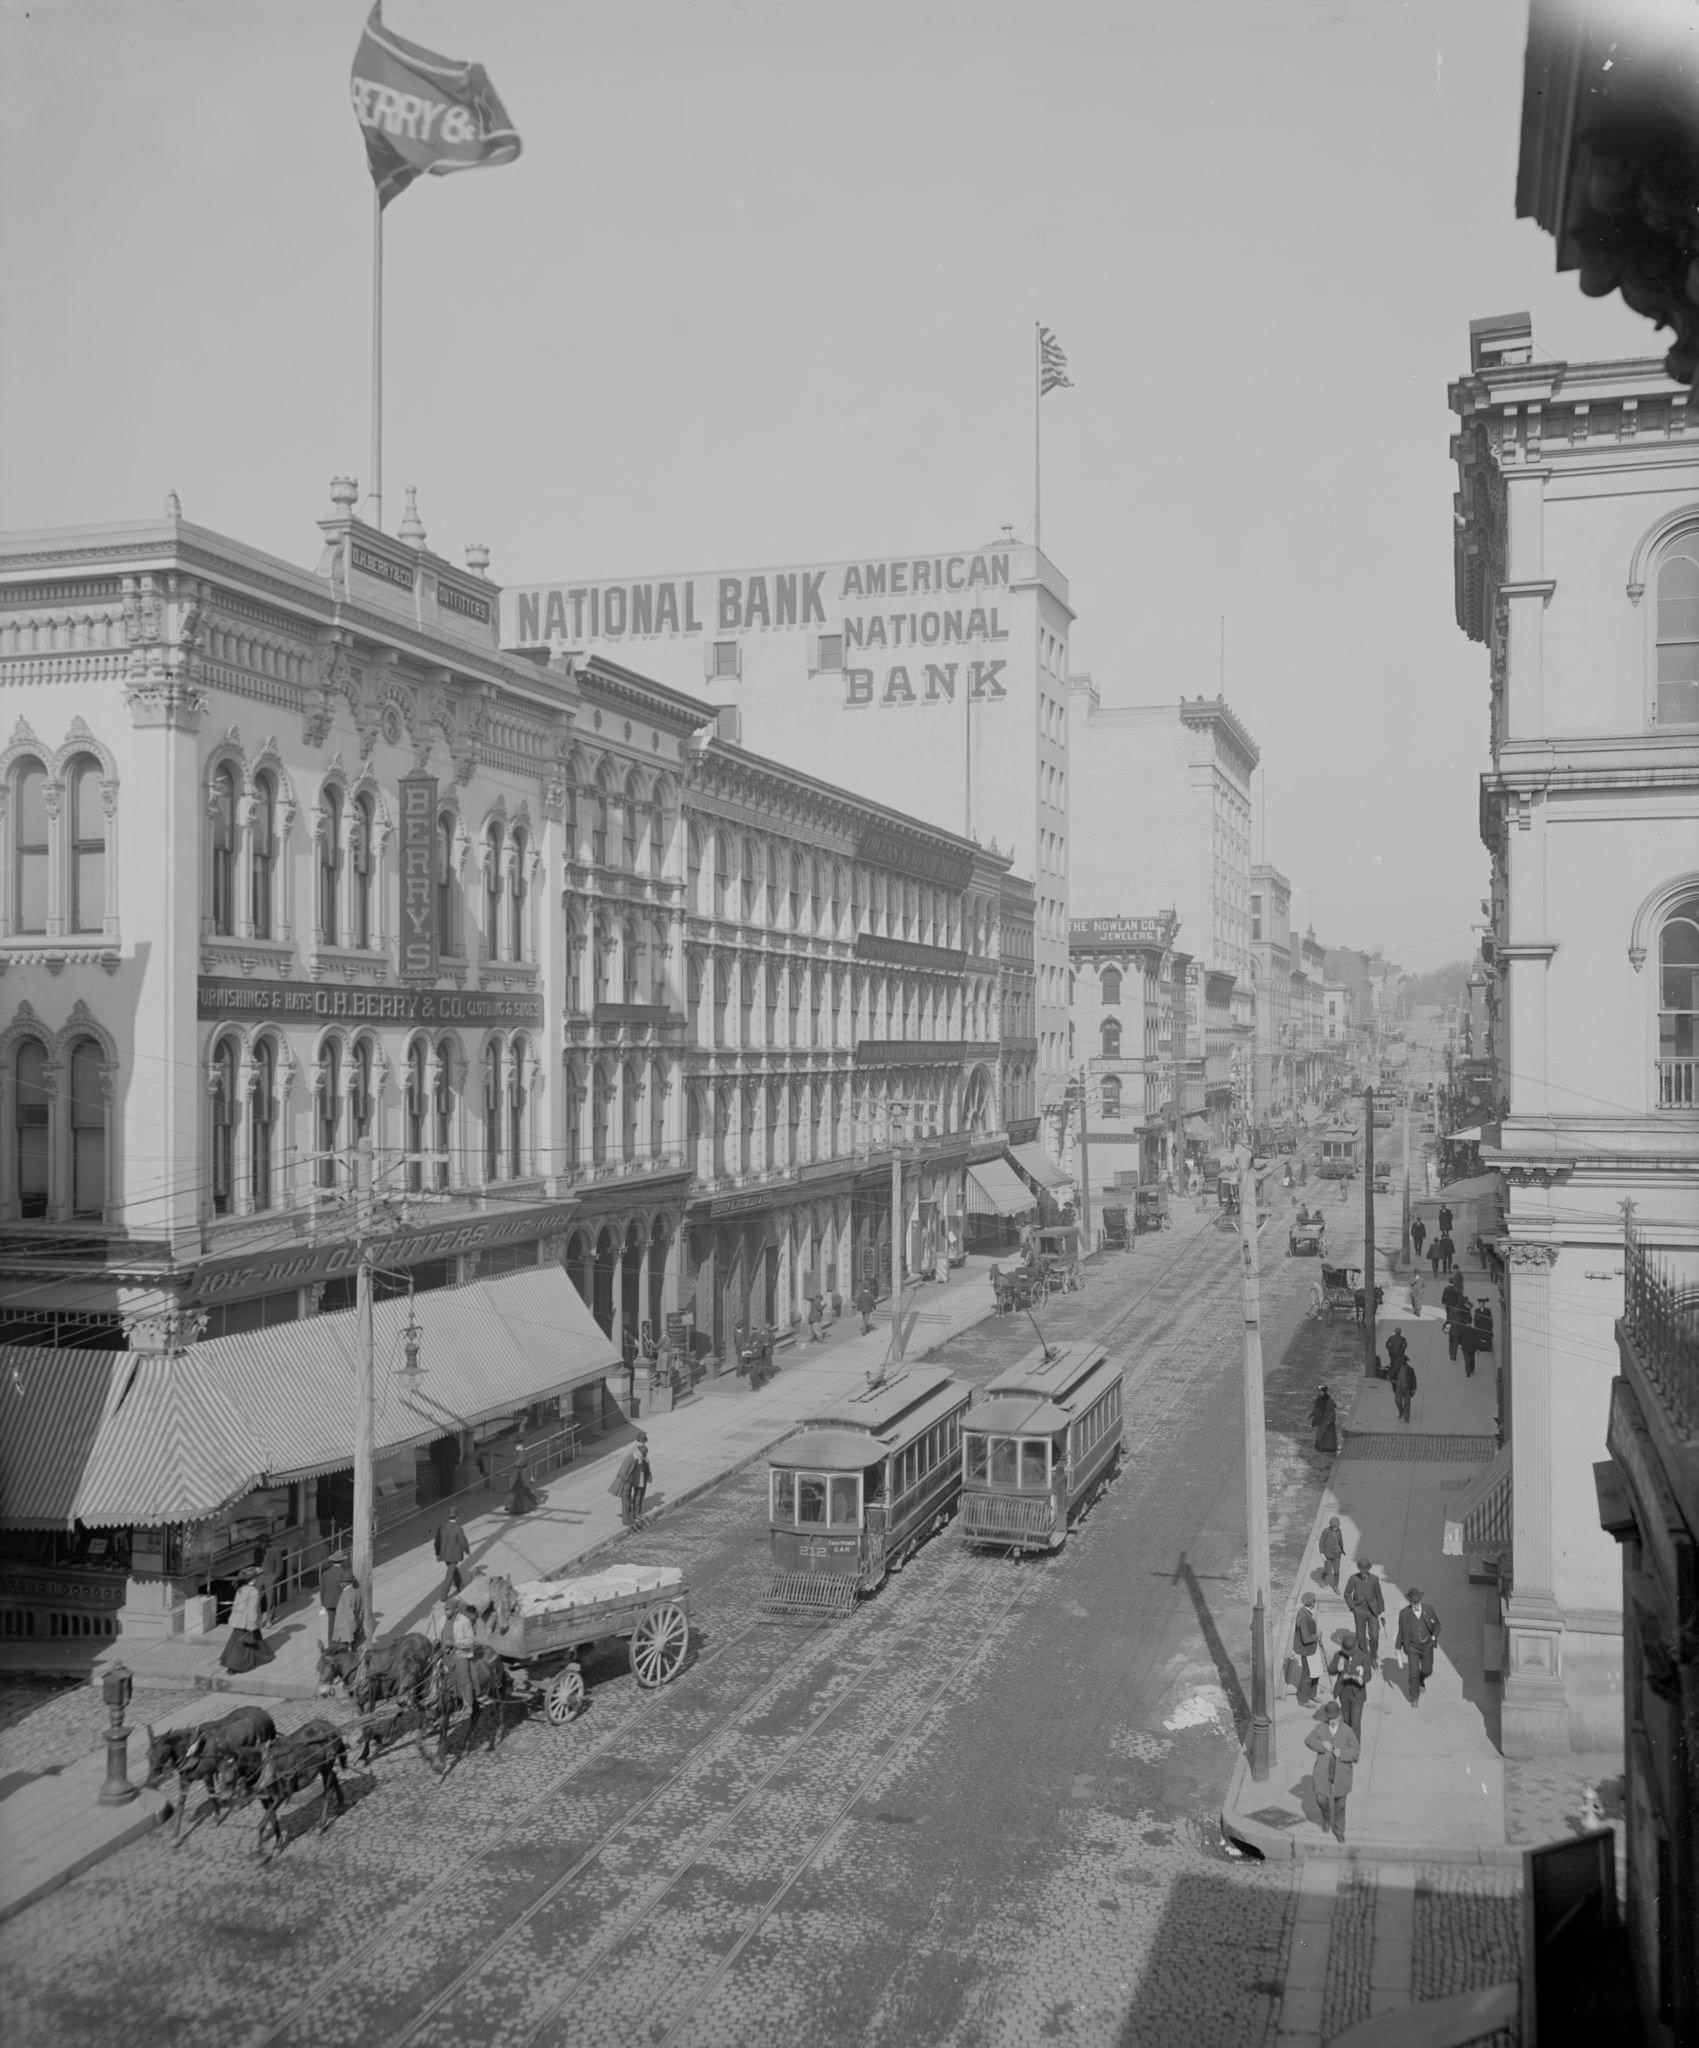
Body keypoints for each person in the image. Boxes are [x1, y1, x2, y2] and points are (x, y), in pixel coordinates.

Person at [1306, 1699, 1360, 1843]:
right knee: (1321, 1799)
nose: (1332, 1721)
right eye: (1330, 1718)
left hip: (1341, 1774)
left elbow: (1356, 1751)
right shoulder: (1320, 1728)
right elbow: (1308, 1740)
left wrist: (1341, 1753)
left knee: (1340, 1805)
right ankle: (1326, 1817)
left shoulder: (1347, 1731)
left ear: (1340, 1716)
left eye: (1335, 1718)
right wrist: (1321, 1744)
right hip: (1324, 1772)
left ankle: (1339, 1830)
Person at [219, 1567, 275, 1674]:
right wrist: (252, 1624)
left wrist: (232, 1619)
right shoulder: (253, 1591)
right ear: (254, 1579)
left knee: (251, 1640)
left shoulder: (241, 1589)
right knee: (241, 1646)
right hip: (247, 1622)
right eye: (258, 1577)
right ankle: (234, 1666)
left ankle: (264, 1655)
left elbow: (235, 1605)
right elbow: (252, 1610)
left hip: (238, 1620)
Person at [1395, 1588, 1442, 1705]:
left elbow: (1437, 1625)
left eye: (1417, 1601)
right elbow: (1401, 1632)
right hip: (1412, 1648)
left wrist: (1433, 1638)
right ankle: (1414, 1697)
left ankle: (1422, 1679)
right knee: (1413, 1673)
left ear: (1420, 1600)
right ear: (1409, 1601)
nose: (1415, 1604)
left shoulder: (1429, 1609)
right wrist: (1397, 1648)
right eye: (1413, 1602)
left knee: (1427, 1670)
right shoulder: (1404, 1614)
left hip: (1427, 1646)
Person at [1328, 1630, 1372, 1737]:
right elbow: (1331, 1670)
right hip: (1343, 1692)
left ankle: (1355, 1747)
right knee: (1347, 1721)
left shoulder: (1363, 1657)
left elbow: (1368, 1674)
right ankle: (1347, 1743)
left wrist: (1362, 1679)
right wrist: (1338, 1667)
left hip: (1357, 1693)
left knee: (1355, 1723)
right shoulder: (1338, 1656)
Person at [1344, 1559, 1385, 1662]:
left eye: (1365, 1570)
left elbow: (1379, 1595)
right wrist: (1353, 1608)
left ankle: (1373, 1655)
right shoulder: (1353, 1579)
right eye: (1361, 1570)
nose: (1363, 1572)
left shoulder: (1374, 1579)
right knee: (1360, 1636)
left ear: (1368, 1569)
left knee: (1374, 1635)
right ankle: (1364, 1655)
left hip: (1373, 1611)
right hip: (1359, 1611)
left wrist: (1382, 1611)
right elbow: (1347, 1594)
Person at [1291, 1590, 1322, 1704]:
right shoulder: (1304, 1617)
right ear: (1312, 1603)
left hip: (1312, 1649)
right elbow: (1306, 1638)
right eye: (1314, 1601)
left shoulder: (1305, 1612)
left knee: (1316, 1672)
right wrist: (1317, 1635)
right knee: (1307, 1675)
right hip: (1307, 1650)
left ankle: (1312, 1694)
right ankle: (1303, 1699)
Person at [434, 1509, 471, 1600]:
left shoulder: (442, 1526)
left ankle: (460, 1586)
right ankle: (443, 1595)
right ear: (457, 1517)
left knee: (453, 1570)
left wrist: (438, 1554)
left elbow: (437, 1541)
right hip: (454, 1555)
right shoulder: (458, 1528)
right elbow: (463, 1542)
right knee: (449, 1575)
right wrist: (467, 1550)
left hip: (444, 1555)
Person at [319, 1548, 352, 1647]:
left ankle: (331, 1644)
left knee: (331, 1624)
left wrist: (323, 1604)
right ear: (342, 1561)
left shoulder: (325, 1574)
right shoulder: (344, 1573)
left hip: (329, 1603)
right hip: (341, 1603)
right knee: (342, 1624)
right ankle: (341, 1644)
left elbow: (322, 1590)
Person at [331, 1568, 366, 1654]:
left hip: (345, 1632)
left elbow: (349, 1615)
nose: (340, 1583)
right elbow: (361, 1611)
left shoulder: (346, 1595)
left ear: (346, 1583)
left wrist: (352, 1630)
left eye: (341, 1582)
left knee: (343, 1654)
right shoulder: (357, 1592)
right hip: (354, 1628)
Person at [1310, 1384, 1339, 1456]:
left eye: (1320, 1391)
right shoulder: (1319, 1398)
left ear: (1324, 1392)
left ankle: (1327, 1447)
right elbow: (1317, 1408)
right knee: (1321, 1433)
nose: (1319, 1392)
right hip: (1322, 1419)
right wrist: (1312, 1414)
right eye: (1318, 1391)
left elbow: (1332, 1411)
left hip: (1327, 1420)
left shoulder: (1329, 1400)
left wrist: (1330, 1420)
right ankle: (1321, 1447)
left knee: (1325, 1434)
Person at [1318, 1516, 1345, 1593]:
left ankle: (1336, 1587)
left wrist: (1341, 1549)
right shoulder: (1326, 1531)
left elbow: (1340, 1541)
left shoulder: (1339, 1531)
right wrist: (1322, 1553)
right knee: (1327, 1570)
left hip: (1337, 1555)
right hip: (1328, 1555)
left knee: (1337, 1572)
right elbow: (1321, 1543)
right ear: (1331, 1525)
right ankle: (1322, 1578)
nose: (1335, 1528)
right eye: (1334, 1527)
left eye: (1336, 1527)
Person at [1393, 1351, 1418, 1425]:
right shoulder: (1396, 1368)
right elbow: (1391, 1374)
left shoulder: (1410, 1370)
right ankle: (1401, 1411)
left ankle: (1406, 1418)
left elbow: (1414, 1379)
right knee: (1398, 1401)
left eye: (1402, 1361)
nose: (1401, 1362)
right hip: (1398, 1388)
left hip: (1407, 1388)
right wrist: (1389, 1377)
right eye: (1400, 1361)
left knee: (1407, 1403)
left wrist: (1413, 1388)